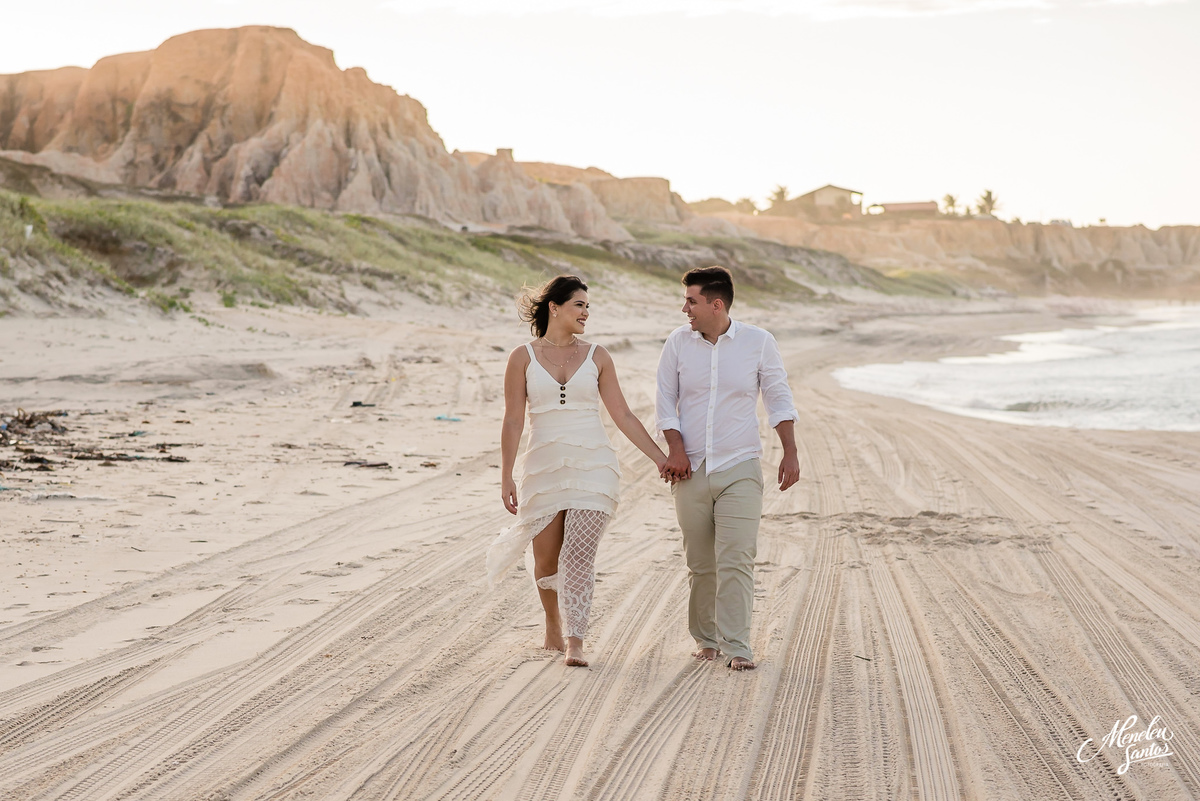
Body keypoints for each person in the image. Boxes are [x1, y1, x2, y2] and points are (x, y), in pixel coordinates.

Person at [488, 275, 668, 667]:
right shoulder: (522, 356)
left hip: (594, 466)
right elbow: (513, 420)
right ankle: (552, 622)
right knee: (546, 561)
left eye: (588, 306)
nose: (586, 312)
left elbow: (621, 414)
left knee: (579, 554)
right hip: (543, 464)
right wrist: (506, 475)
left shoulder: (599, 356)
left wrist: (659, 457)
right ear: (554, 307)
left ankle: (576, 640)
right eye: (579, 305)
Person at [656, 266, 800, 671]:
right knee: (701, 564)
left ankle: (738, 645)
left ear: (715, 305)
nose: (685, 308)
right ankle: (706, 639)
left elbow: (778, 396)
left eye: (691, 301)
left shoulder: (759, 342)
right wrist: (676, 449)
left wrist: (790, 451)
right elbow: (665, 401)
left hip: (740, 466)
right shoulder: (678, 343)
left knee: (737, 558)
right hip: (691, 470)